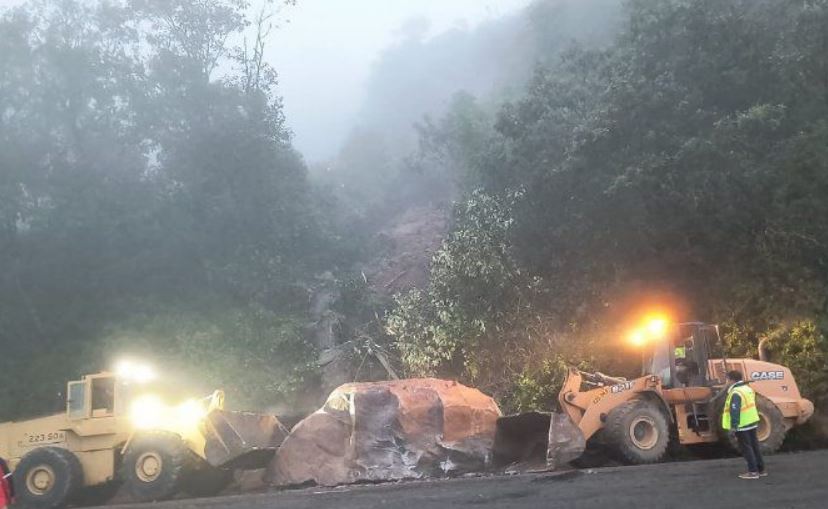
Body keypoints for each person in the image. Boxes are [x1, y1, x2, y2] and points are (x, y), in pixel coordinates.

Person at [722, 370, 766, 479]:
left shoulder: (736, 392)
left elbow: (735, 410)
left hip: (742, 424)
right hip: (752, 421)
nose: (726, 382)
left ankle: (753, 472)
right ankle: (761, 470)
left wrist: (734, 426)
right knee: (754, 446)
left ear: (731, 380)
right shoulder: (747, 389)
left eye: (727, 379)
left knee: (746, 448)